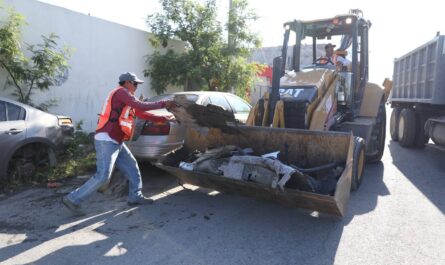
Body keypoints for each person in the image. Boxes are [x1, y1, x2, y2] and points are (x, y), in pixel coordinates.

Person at [62, 72, 176, 215]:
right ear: (127, 82)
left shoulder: (127, 99)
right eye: (135, 83)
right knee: (103, 176)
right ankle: (73, 199)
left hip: (116, 141)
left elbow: (141, 113)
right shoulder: (121, 92)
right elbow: (139, 105)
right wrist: (164, 103)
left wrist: (165, 118)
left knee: (132, 166)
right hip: (107, 139)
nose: (136, 86)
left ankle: (135, 196)